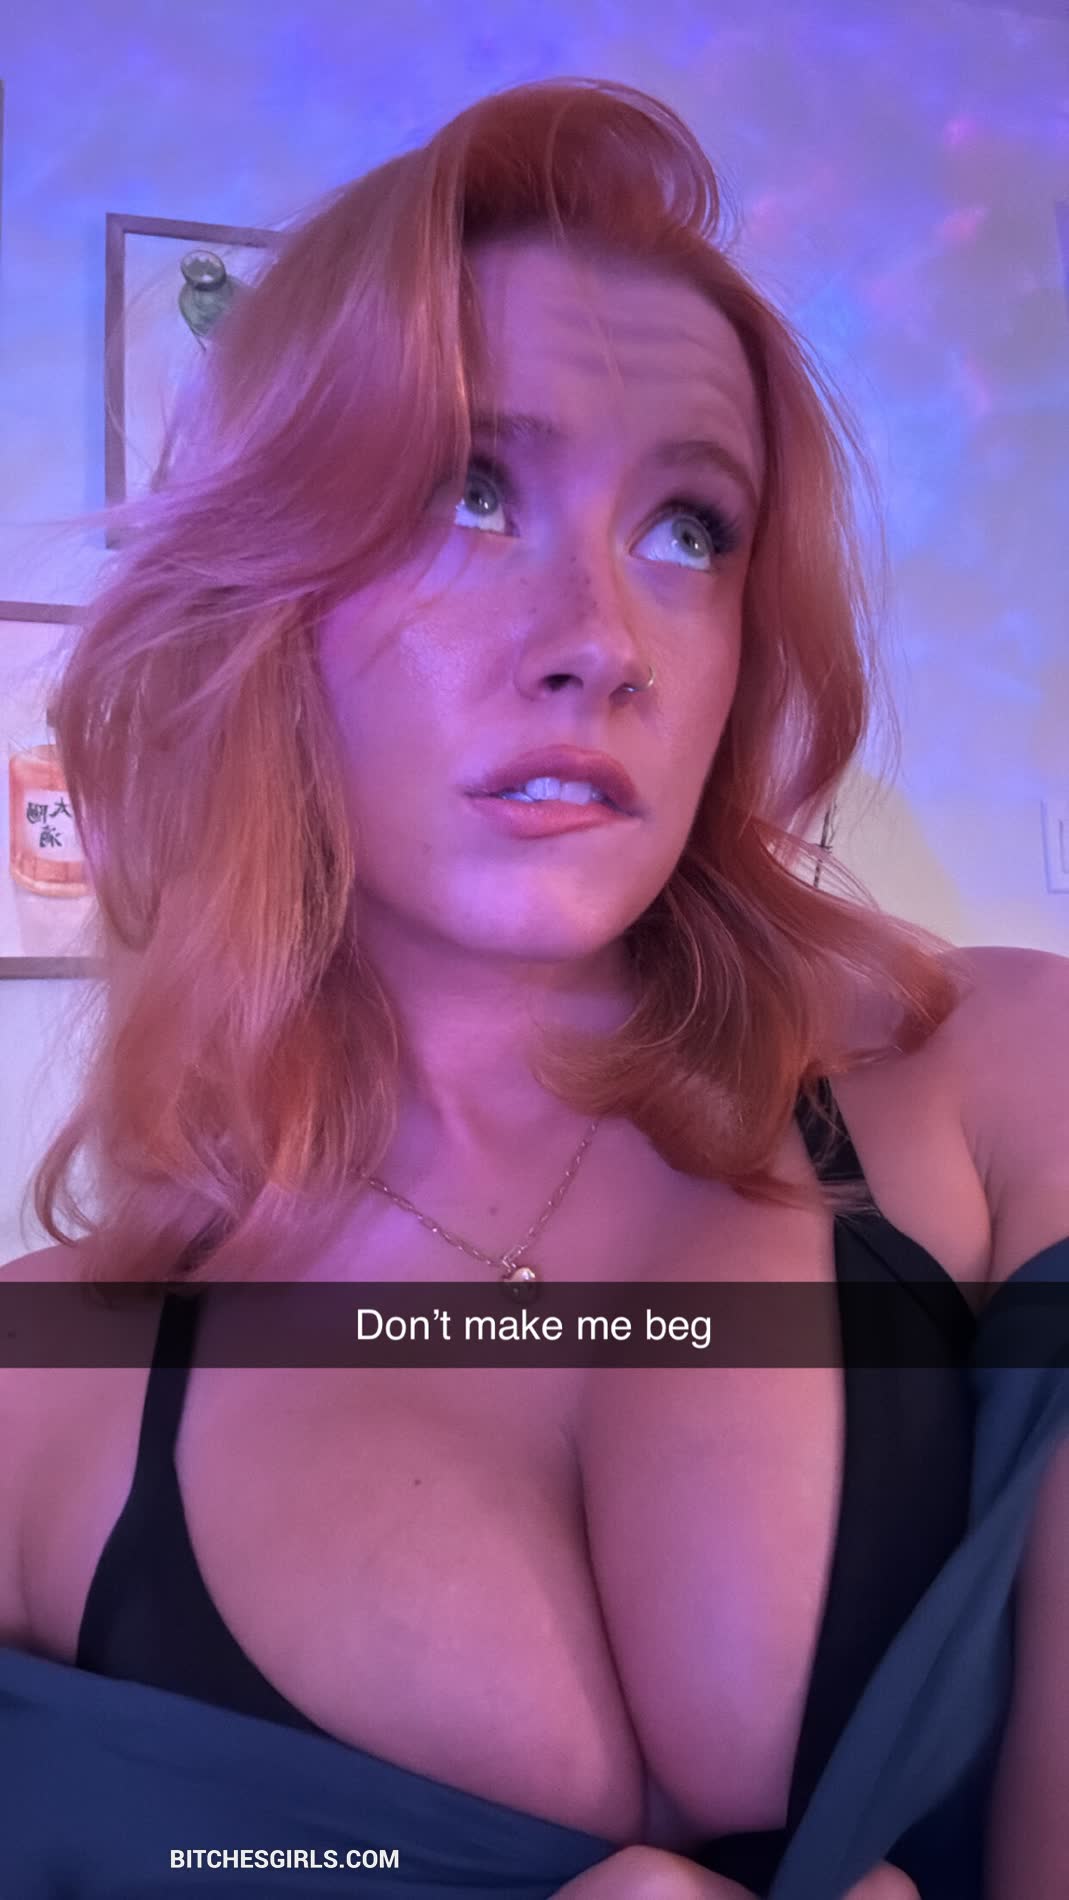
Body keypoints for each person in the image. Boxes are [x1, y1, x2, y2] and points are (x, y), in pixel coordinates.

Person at [1, 75, 1066, 1900]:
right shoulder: (39, 1401)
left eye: (688, 530)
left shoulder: (1007, 1090)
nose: (600, 642)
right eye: (470, 493)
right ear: (259, 600)